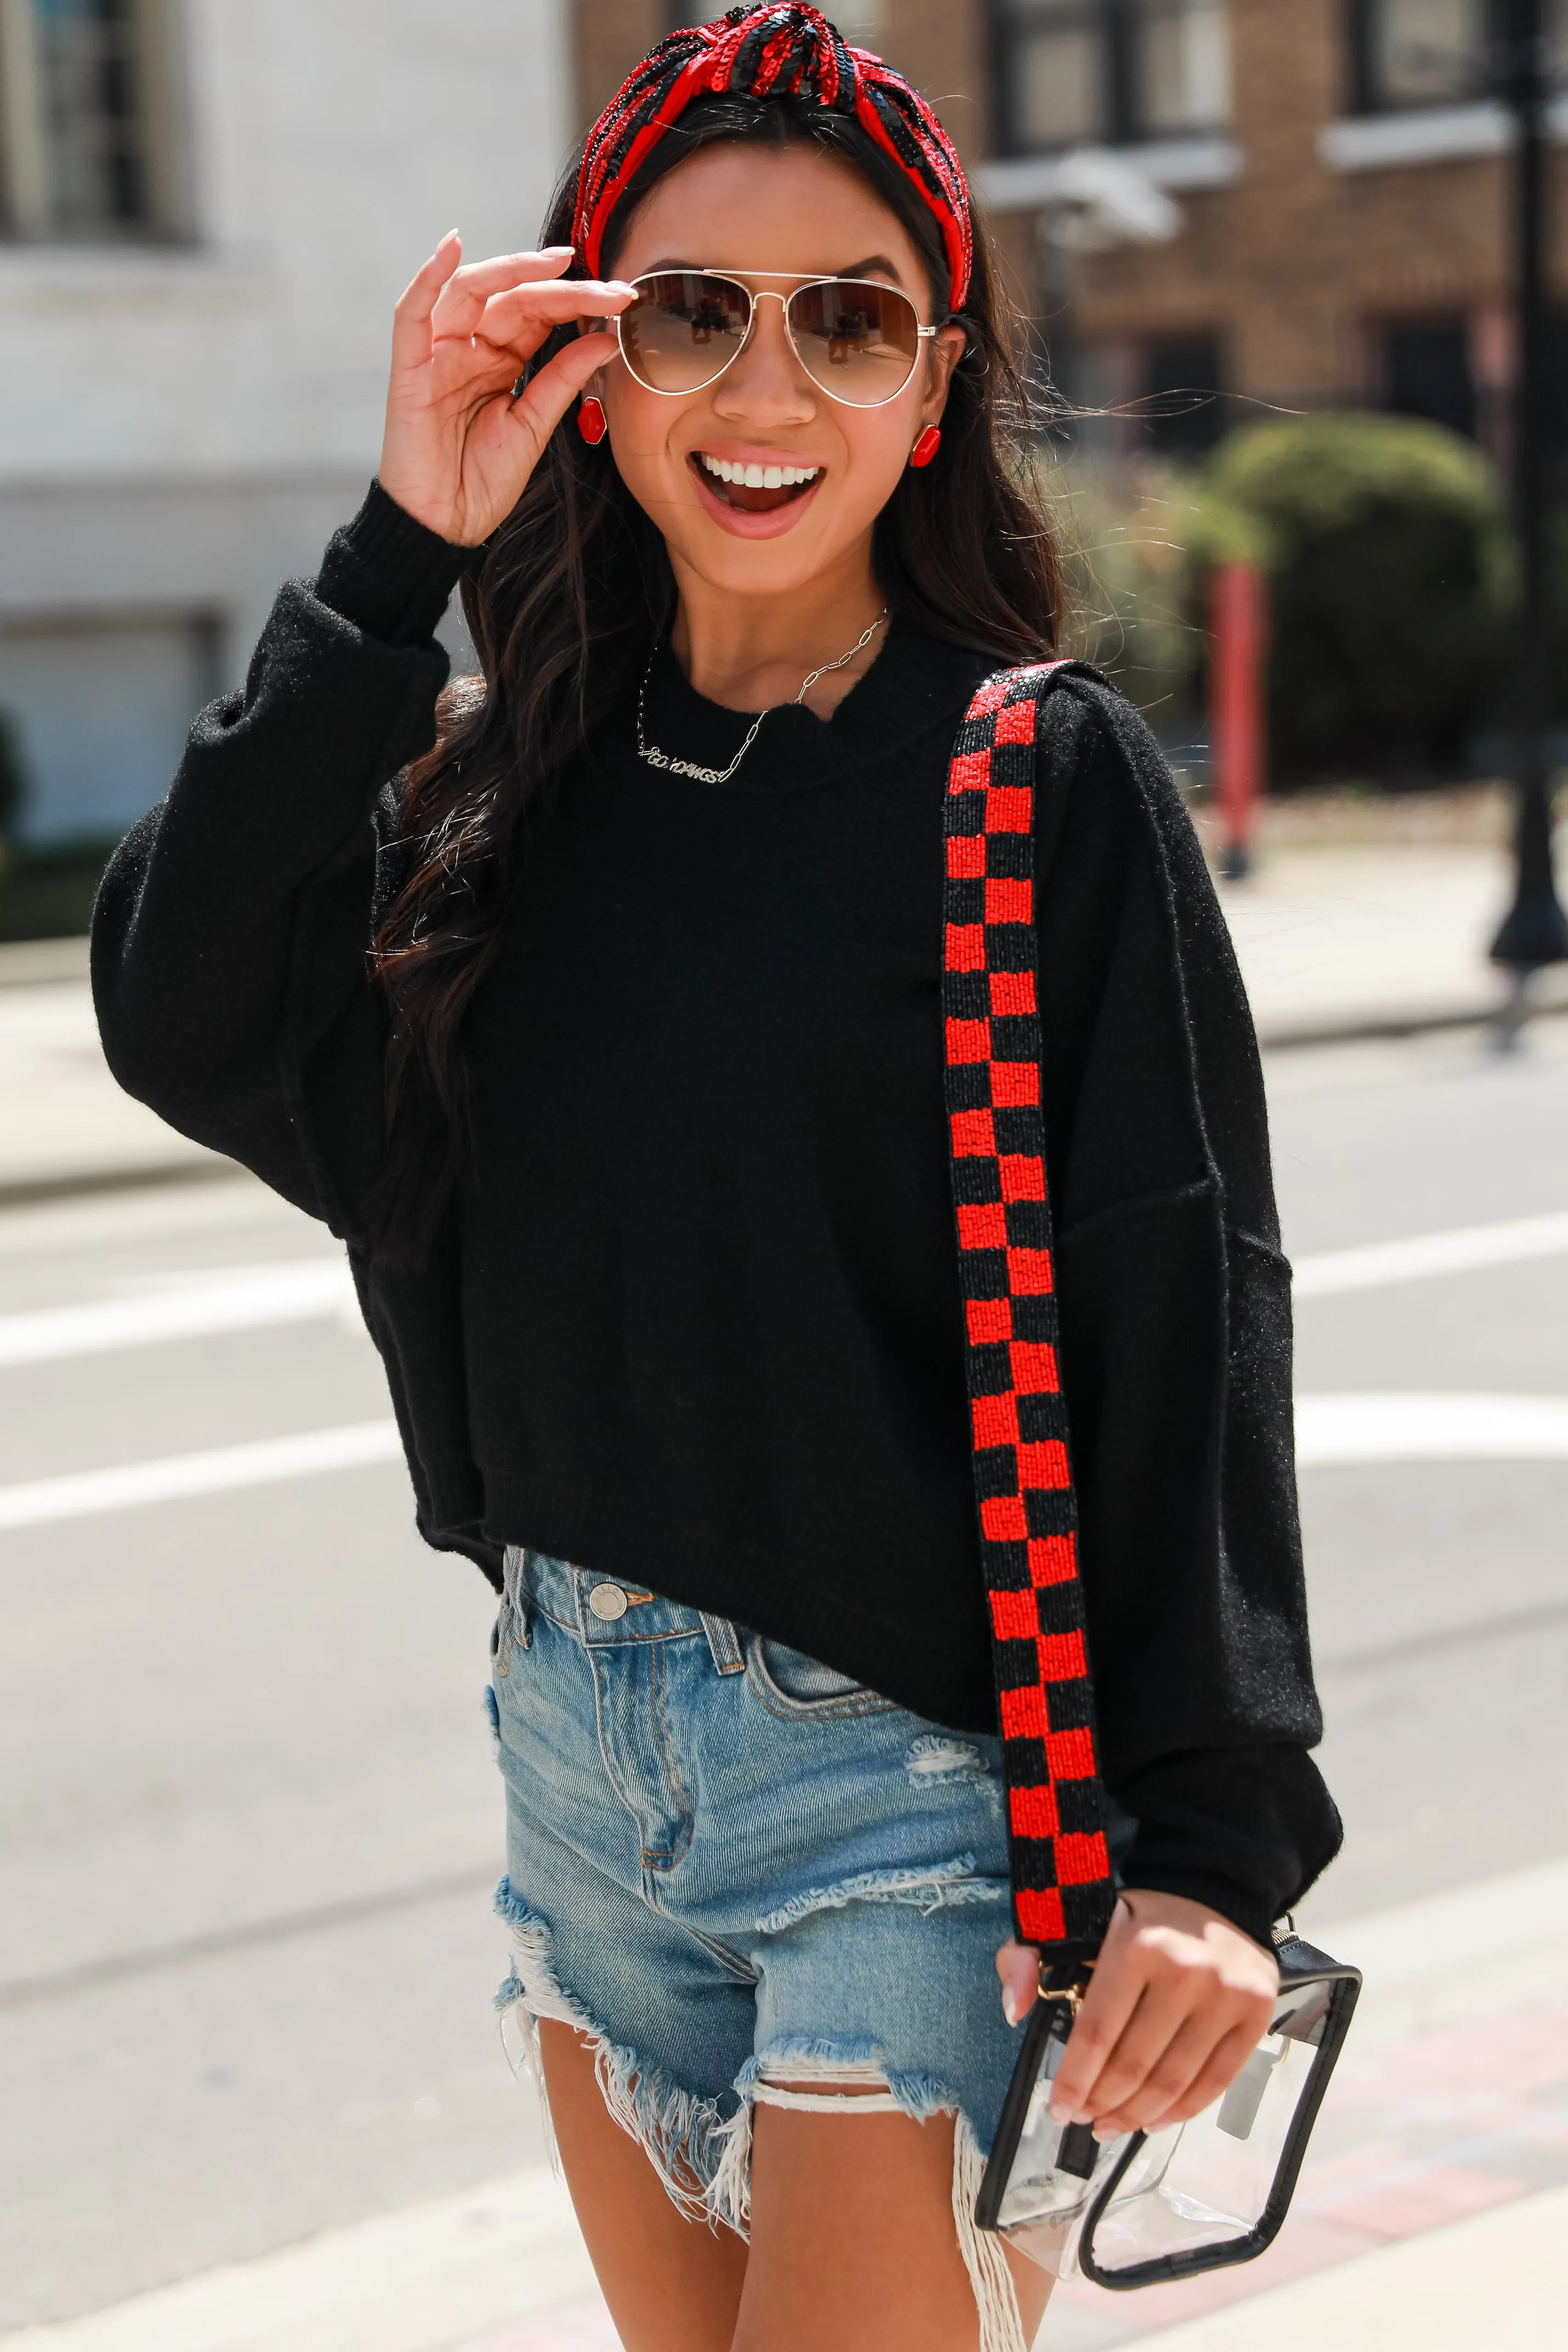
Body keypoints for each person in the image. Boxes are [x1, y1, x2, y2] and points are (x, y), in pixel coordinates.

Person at [92, 10, 1340, 2349]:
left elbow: (1185, 1316)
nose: (765, 392)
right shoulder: (514, 787)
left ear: (935, 369)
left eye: (848, 317)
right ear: (598, 349)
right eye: (690, 311)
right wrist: (393, 554)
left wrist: (1212, 1849)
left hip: (918, 1810)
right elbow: (181, 1010)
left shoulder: (1030, 787)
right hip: (577, 1779)